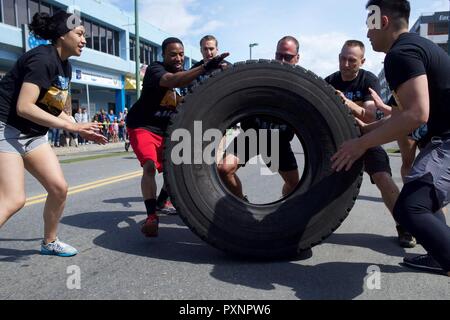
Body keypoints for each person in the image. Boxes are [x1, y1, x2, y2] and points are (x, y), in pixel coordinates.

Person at [332, 0, 450, 276]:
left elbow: (417, 114)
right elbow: (399, 117)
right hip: (440, 139)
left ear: (382, 21)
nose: (367, 33)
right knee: (422, 198)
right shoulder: (413, 48)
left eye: (369, 26)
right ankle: (440, 255)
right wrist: (364, 130)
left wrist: (359, 145)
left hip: (446, 139)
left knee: (411, 208)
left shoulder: (401, 54)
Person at [0, 11, 107, 257]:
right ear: (62, 34)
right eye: (80, 34)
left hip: (32, 134)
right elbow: (24, 107)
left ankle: (49, 242)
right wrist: (71, 126)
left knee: (58, 188)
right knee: (14, 199)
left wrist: (82, 128)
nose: (84, 41)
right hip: (6, 128)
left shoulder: (65, 67)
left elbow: (52, 109)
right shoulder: (42, 59)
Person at [126, 37, 229, 237]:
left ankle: (163, 200)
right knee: (149, 166)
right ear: (163, 55)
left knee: (175, 168)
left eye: (181, 54)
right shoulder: (156, 70)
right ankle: (151, 217)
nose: (178, 58)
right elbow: (173, 80)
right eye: (173, 54)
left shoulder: (187, 73)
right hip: (143, 126)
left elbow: (201, 74)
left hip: (167, 130)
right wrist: (205, 66)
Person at [325, 40, 416, 248]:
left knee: (383, 178)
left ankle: (405, 227)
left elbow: (369, 117)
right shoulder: (329, 80)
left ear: (362, 61)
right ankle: (305, 225)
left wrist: (345, 102)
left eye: (352, 60)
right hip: (339, 143)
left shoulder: (369, 80)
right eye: (342, 58)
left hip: (367, 140)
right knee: (318, 182)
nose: (346, 64)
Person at [217, 36, 301, 200]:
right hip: (252, 136)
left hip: (279, 141)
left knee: (294, 186)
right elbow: (240, 79)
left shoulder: (301, 85)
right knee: (224, 169)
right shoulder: (262, 74)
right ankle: (242, 204)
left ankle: (283, 210)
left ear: (297, 58)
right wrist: (229, 72)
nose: (282, 61)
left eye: (288, 57)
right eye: (279, 56)